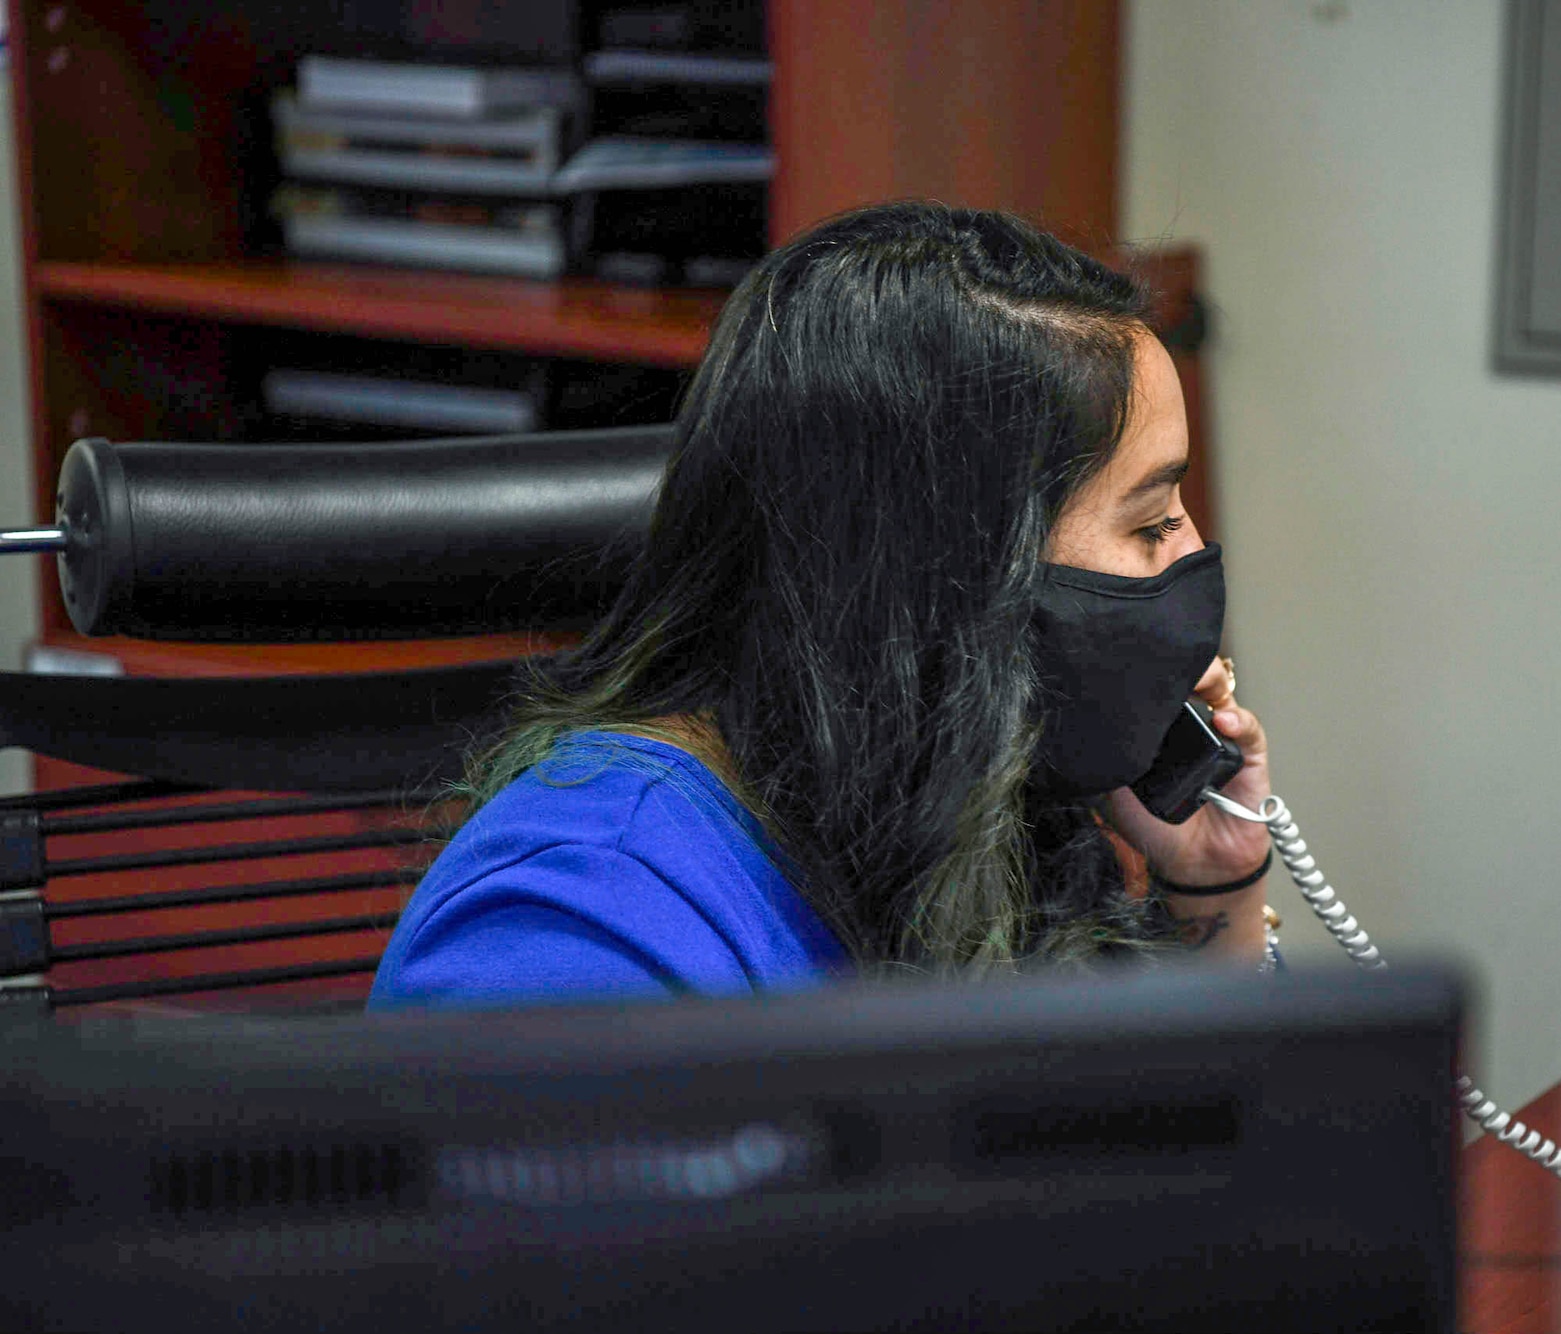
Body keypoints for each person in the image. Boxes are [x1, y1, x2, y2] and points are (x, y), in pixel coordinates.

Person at [368, 202, 1274, 1008]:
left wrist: (1212, 888)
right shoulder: (577, 933)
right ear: (944, 573)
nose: (1191, 555)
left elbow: (1182, 1166)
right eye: (1152, 520)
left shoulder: (951, 811)